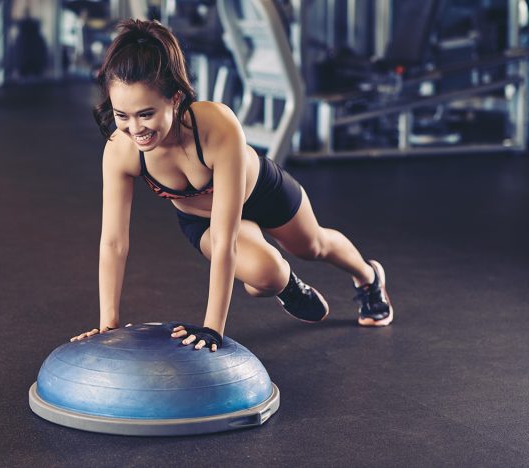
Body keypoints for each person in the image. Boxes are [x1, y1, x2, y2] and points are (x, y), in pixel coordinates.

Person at [71, 19, 393, 351]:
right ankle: (285, 284)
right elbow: (113, 243)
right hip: (204, 219)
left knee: (312, 246)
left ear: (175, 98)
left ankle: (368, 278)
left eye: (146, 114)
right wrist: (108, 322)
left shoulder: (217, 125)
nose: (134, 128)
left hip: (261, 194)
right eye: (122, 115)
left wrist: (212, 328)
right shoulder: (120, 152)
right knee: (267, 276)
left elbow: (227, 241)